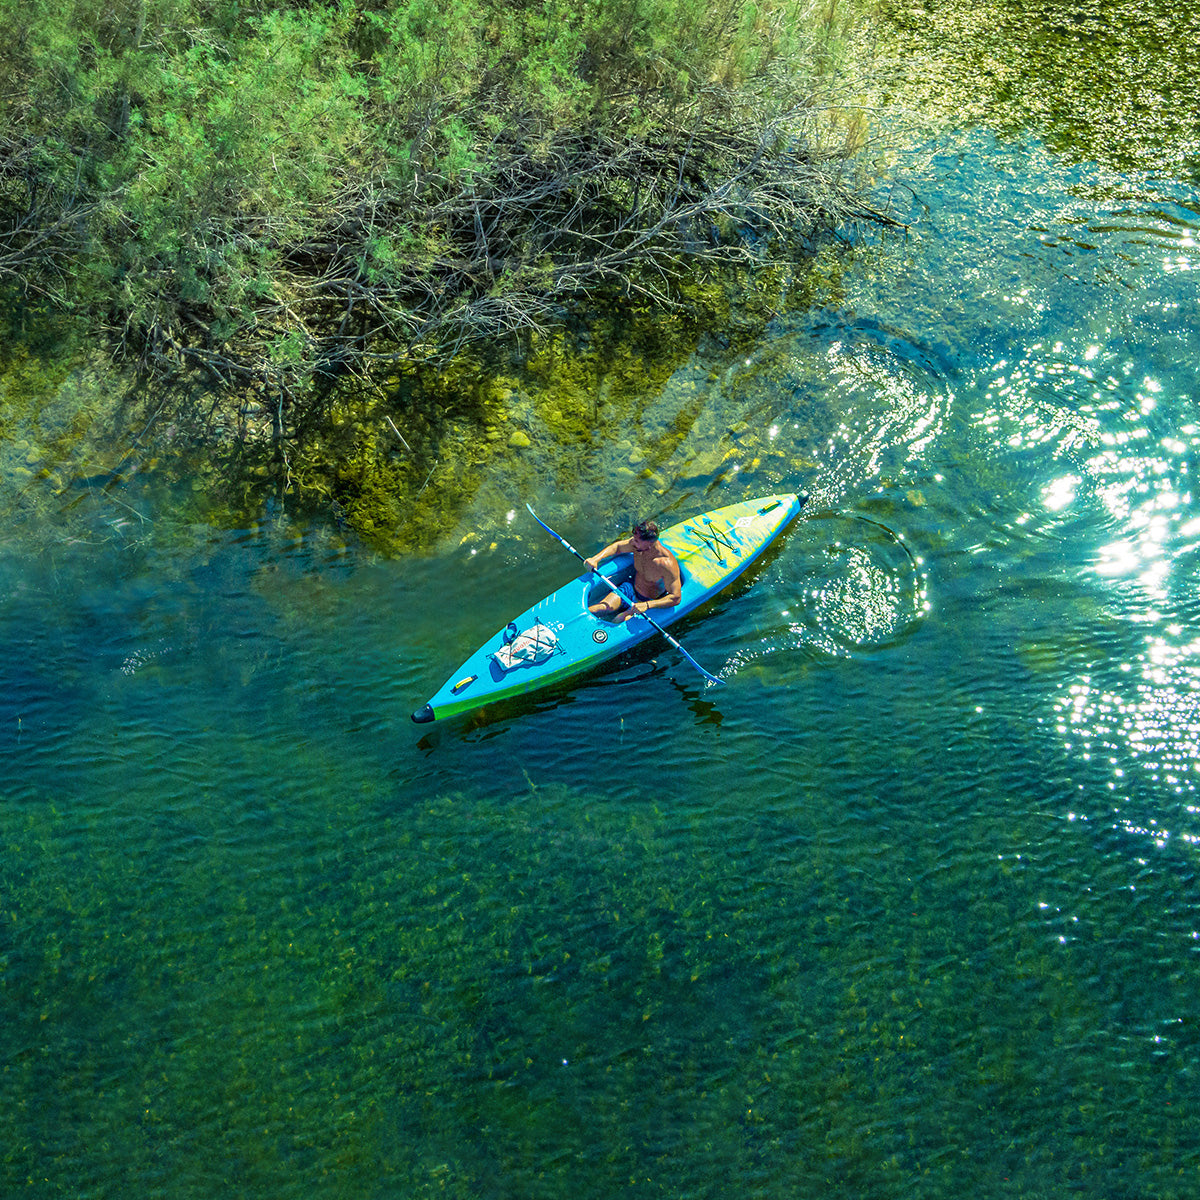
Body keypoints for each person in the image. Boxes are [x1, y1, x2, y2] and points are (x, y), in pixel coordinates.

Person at [585, 518, 682, 622]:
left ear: (649, 543)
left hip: (647, 601)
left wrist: (647, 605)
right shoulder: (637, 547)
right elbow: (617, 547)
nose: (632, 541)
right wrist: (596, 559)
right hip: (630, 588)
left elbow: (675, 597)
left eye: (636, 540)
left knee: (618, 620)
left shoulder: (666, 564)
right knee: (601, 608)